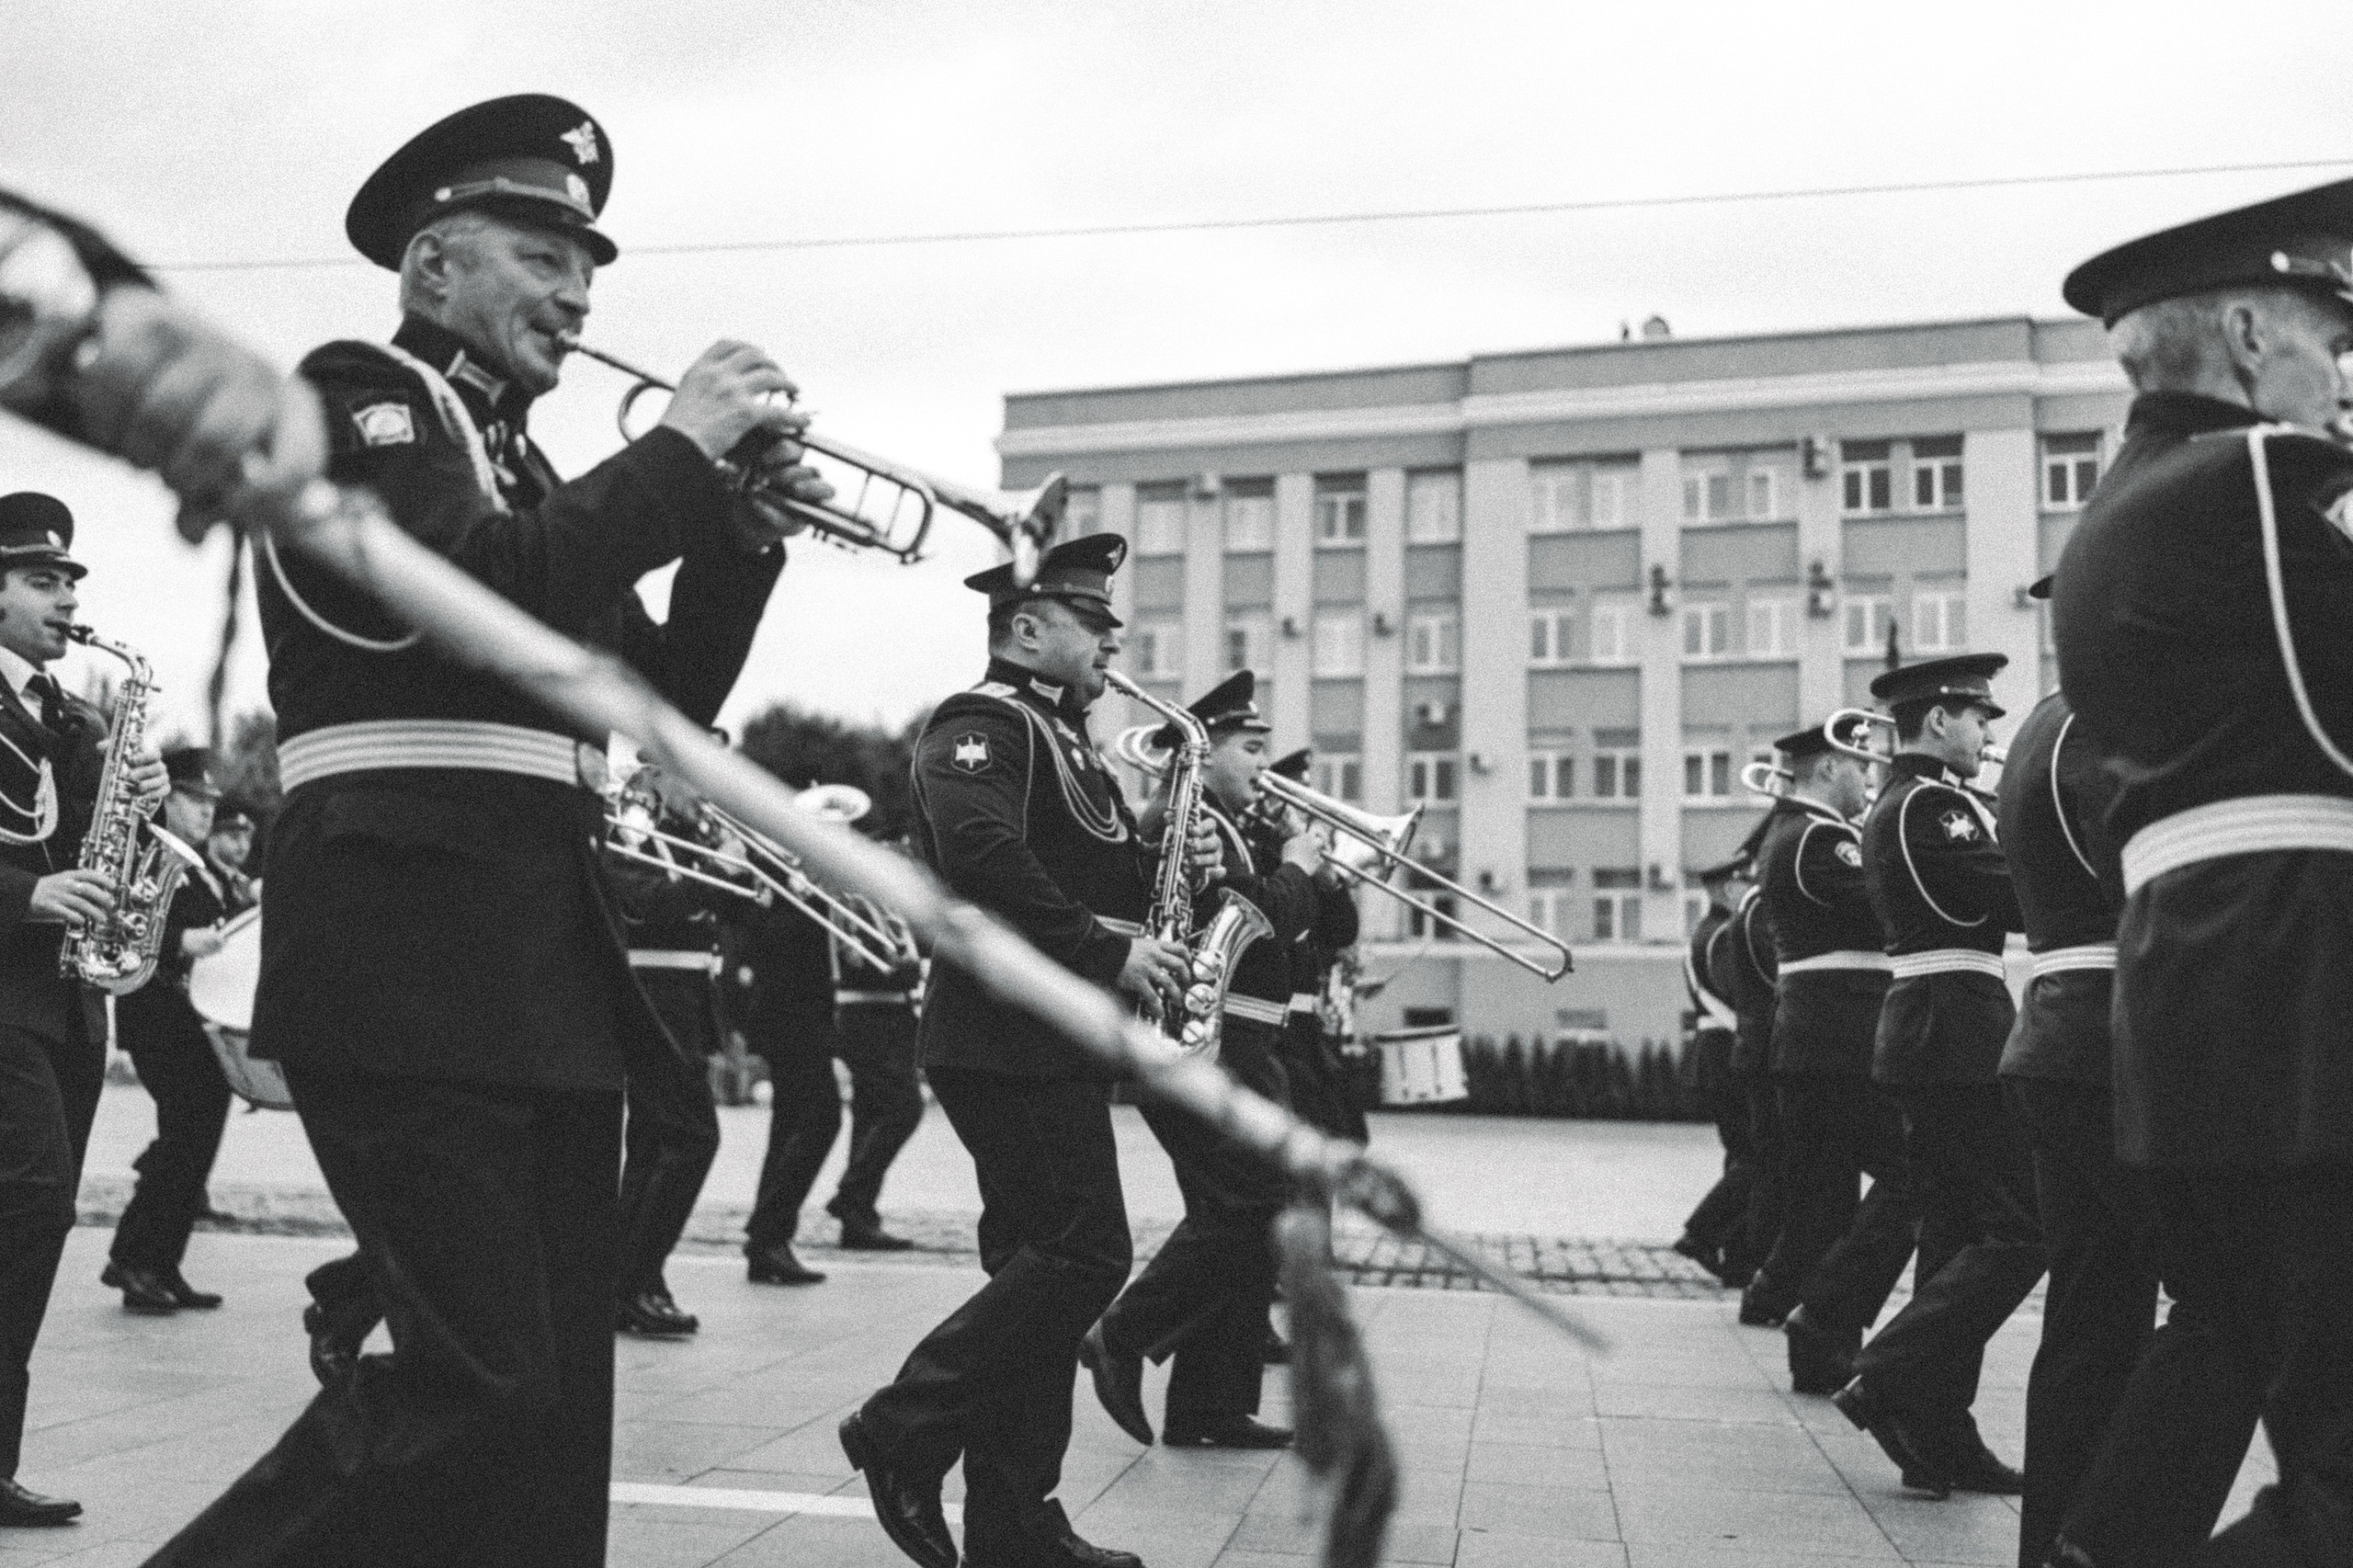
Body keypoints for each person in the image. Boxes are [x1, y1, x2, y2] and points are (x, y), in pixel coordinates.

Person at [147, 95, 816, 1567]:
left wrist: (735, 536)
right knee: (477, 1381)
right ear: (434, 267)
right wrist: (676, 464)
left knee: (555, 1405)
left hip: (530, 958)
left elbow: (655, 699)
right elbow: (469, 581)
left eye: (588, 268)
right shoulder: (354, 395)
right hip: (405, 949)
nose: (578, 297)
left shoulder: (519, 462)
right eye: (541, 254)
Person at [2048, 178, 2353, 1568]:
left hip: (2202, 995)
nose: (2338, 381)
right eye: (2324, 343)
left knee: (2227, 1336)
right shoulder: (2256, 478)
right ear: (2244, 331)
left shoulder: (2122, 506)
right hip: (2306, 979)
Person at [841, 533, 1202, 1568]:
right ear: (1028, 628)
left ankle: (1014, 1517)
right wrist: (1104, 948)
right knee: (1086, 1254)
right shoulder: (980, 722)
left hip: (1047, 1034)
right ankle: (903, 1424)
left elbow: (1080, 875)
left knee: (1037, 1267)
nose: (1113, 639)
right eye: (1094, 622)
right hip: (999, 1031)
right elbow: (983, 853)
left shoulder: (1072, 742)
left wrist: (1171, 854)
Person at [1083, 671, 1324, 1452]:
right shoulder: (1191, 822)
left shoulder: (1235, 821)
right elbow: (1266, 918)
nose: (1265, 762)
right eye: (1251, 748)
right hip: (1208, 1046)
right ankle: (1123, 1334)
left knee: (1251, 1215)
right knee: (1248, 1204)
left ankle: (1208, 1406)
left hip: (1245, 1046)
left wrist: (1305, 865)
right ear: (1207, 751)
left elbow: (1325, 926)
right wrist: (1298, 868)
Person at [1832, 654, 2041, 1498]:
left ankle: (1936, 1429)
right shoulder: (1934, 806)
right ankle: (1887, 1374)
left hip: (1928, 1028)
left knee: (1953, 1233)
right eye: (1978, 717)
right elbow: (2018, 901)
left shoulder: (1908, 804)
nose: (1989, 733)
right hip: (1955, 1026)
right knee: (2024, 1227)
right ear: (1938, 720)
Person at [0, 493, 168, 1528]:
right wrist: (26, 893)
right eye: (40, 580)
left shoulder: (71, 713)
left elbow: (93, 843)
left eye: (70, 581)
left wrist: (133, 789)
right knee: (31, 1189)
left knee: (39, 1210)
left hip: (64, 1000)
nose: (66, 598)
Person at [1753, 721, 1911, 1395]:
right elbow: (1890, 910)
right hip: (1840, 1044)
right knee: (1918, 1175)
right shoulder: (1820, 839)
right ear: (1825, 771)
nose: (1869, 775)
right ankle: (1825, 1321)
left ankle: (1818, 1348)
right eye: (1858, 765)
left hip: (1816, 1044)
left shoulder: (1795, 834)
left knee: (1825, 1205)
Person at [105, 746, 249, 1313]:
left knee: (192, 1146)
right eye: (195, 799)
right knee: (185, 1143)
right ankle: (135, 1261)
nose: (207, 811)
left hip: (194, 1024)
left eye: (211, 801)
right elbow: (123, 921)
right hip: (162, 1023)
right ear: (166, 796)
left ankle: (159, 1262)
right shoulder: (147, 854)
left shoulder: (201, 866)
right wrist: (178, 944)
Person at [608, 767, 751, 1337]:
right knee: (693, 1137)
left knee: (649, 1145)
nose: (704, 790)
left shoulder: (692, 834)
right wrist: (717, 870)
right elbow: (642, 900)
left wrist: (733, 863)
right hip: (651, 996)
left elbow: (731, 914)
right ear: (658, 776)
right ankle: (634, 1279)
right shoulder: (629, 825)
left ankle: (631, 1279)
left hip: (686, 999)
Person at [740, 887, 843, 1285]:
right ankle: (768, 1235)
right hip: (789, 1014)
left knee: (790, 1126)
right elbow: (758, 936)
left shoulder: (804, 883)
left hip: (807, 1012)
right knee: (820, 1120)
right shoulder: (775, 881)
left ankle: (767, 1240)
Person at [1266, 747, 1365, 1148]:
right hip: (1275, 1024)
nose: (1304, 811)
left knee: (1342, 1136)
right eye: (1295, 799)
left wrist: (1328, 877)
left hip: (1306, 1026)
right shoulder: (1264, 848)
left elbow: (1341, 932)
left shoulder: (1304, 856)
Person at [823, 884, 927, 1252]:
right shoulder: (851, 900)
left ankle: (859, 1221)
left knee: (869, 1115)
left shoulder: (886, 901)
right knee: (905, 1108)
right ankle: (851, 1195)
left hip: (893, 1015)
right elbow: (857, 959)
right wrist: (914, 969)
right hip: (866, 1015)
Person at [1673, 860, 1756, 1287]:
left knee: (1742, 1157)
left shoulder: (1708, 929)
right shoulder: (1724, 933)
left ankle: (1736, 1258)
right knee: (1758, 1159)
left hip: (1716, 1054)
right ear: (1726, 890)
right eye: (1747, 882)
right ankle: (1701, 1232)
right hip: (1728, 1052)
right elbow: (1737, 993)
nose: (1754, 888)